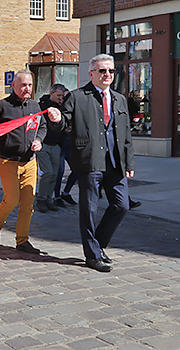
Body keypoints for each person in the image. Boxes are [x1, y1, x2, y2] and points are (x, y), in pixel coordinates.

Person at [58, 54, 134, 273]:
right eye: (102, 71)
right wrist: (56, 119)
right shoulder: (78, 97)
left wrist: (129, 162)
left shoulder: (119, 99)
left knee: (121, 205)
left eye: (110, 71)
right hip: (90, 161)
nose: (107, 75)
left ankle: (97, 244)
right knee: (89, 209)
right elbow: (64, 122)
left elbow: (126, 134)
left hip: (115, 163)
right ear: (91, 73)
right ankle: (91, 255)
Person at [0, 70, 61, 254]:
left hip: (29, 162)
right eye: (23, 85)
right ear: (14, 86)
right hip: (8, 161)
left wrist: (39, 140)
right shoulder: (2, 106)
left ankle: (22, 240)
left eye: (29, 85)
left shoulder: (35, 106)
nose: (27, 89)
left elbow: (42, 126)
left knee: (27, 204)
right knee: (11, 199)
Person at [36, 84, 69, 212]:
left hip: (57, 144)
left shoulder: (62, 106)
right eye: (59, 95)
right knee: (47, 172)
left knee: (55, 174)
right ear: (52, 94)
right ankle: (41, 199)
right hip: (44, 143)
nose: (61, 98)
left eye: (62, 96)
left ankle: (49, 199)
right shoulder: (43, 106)